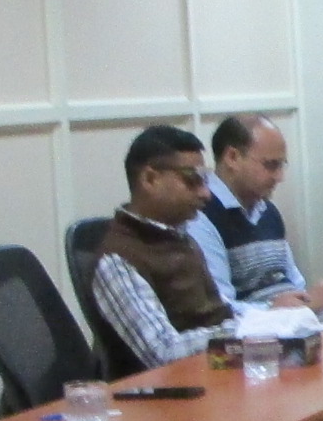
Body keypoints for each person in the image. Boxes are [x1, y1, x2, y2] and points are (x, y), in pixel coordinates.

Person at [90, 125, 236, 369]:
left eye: (205, 181)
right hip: (168, 387)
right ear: (150, 179)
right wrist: (240, 333)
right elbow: (164, 352)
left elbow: (218, 316)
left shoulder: (180, 238)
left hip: (217, 370)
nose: (206, 194)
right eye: (192, 180)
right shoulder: (117, 259)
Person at [191, 114, 323, 310]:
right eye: (271, 165)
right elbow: (220, 308)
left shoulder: (268, 211)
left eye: (281, 165)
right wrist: (273, 308)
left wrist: (319, 297)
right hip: (259, 327)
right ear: (232, 157)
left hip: (294, 321)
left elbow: (295, 284)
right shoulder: (201, 216)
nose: (280, 177)